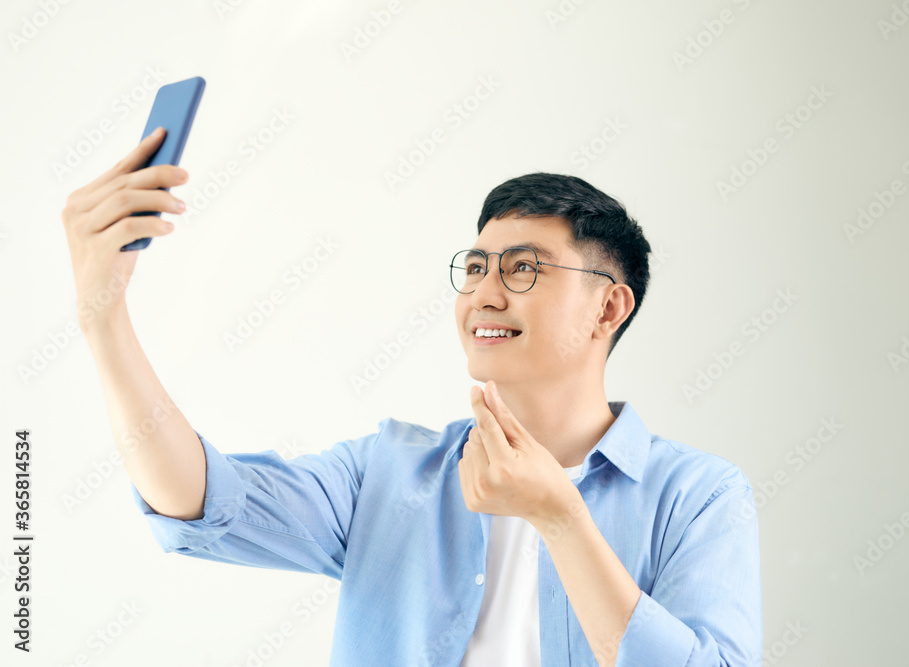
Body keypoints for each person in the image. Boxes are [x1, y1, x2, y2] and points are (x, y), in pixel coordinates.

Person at [62, 127, 763, 666]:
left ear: (608, 308)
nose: (485, 293)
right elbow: (202, 498)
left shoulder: (698, 495)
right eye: (477, 267)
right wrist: (103, 315)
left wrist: (561, 518)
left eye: (524, 269)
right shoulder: (389, 473)